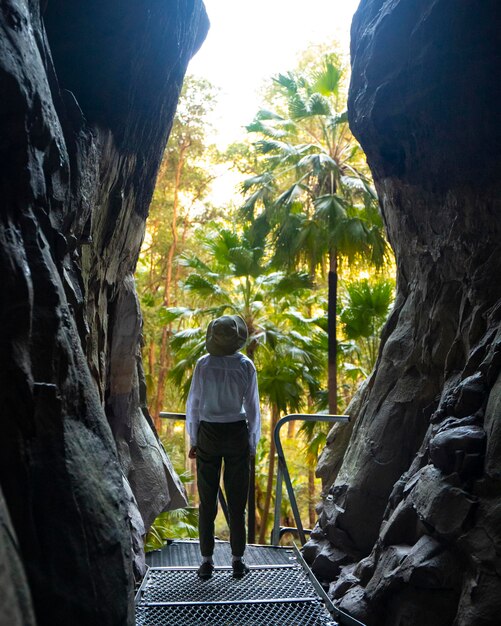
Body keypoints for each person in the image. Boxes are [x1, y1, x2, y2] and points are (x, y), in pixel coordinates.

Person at [186, 314, 261, 580]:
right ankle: (238, 561)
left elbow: (194, 404)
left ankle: (206, 562)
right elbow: (252, 407)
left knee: (207, 500)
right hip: (236, 434)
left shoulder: (203, 365)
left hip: (208, 433)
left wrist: (194, 439)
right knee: (237, 500)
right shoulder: (246, 365)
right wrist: (252, 442)